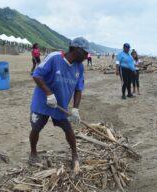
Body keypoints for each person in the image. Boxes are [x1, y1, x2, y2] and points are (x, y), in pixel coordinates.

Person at [29, 37, 90, 174]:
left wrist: (75, 109)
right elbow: (37, 75)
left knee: (68, 129)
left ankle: (75, 155)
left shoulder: (79, 67)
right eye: (85, 53)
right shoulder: (54, 58)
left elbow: (78, 88)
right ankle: (33, 152)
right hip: (43, 101)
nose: (87, 56)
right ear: (76, 49)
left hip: (60, 105)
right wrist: (49, 94)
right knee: (36, 127)